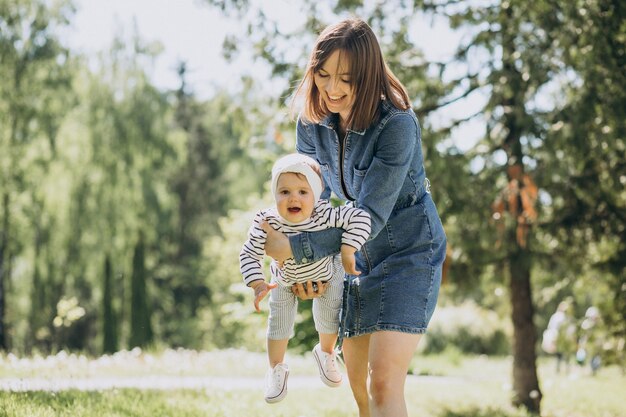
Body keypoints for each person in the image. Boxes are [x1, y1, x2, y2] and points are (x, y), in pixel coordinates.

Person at [261, 18, 447, 417]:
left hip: (409, 253)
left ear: (368, 75)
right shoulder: (312, 124)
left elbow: (369, 215)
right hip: (354, 258)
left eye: (346, 78)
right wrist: (308, 268)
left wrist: (294, 247)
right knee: (360, 389)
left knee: (383, 383)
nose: (332, 89)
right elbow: (313, 205)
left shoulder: (397, 126)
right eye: (323, 75)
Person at [239, 153, 371, 403]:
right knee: (278, 320)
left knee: (330, 311)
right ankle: (276, 369)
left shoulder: (324, 214)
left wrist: (347, 247)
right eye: (284, 191)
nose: (293, 198)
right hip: (284, 279)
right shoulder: (267, 221)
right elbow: (249, 252)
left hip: (326, 272)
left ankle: (326, 352)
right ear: (274, 194)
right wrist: (257, 283)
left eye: (302, 191)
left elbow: (362, 218)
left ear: (316, 195)